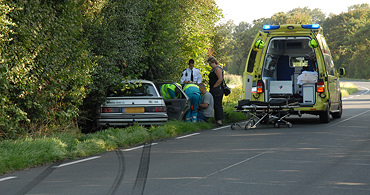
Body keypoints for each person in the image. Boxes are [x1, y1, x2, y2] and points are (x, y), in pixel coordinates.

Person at [207, 56, 224, 126]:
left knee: (218, 104)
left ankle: (219, 120)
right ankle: (216, 119)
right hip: (213, 89)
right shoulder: (213, 69)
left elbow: (220, 79)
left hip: (217, 89)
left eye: (210, 64)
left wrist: (214, 86)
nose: (210, 65)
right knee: (214, 104)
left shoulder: (218, 69)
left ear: (214, 62)